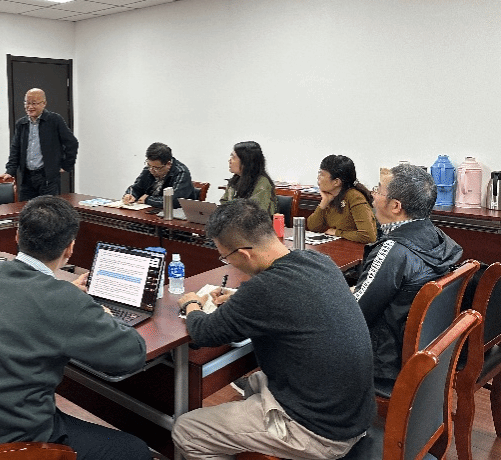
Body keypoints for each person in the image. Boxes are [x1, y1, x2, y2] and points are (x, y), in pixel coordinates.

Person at [0, 196, 152, 460]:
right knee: (135, 450)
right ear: (70, 248)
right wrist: (104, 314)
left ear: (17, 235)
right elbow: (132, 355)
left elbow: (27, 302)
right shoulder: (63, 301)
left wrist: (66, 296)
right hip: (5, 444)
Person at [172, 199, 375, 460]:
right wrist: (240, 300)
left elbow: (203, 332)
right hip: (352, 415)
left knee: (186, 430)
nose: (228, 263)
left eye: (226, 257)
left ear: (243, 254)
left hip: (321, 433)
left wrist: (191, 304)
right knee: (254, 382)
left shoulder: (263, 290)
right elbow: (288, 300)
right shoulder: (317, 260)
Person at [353, 163, 463, 384]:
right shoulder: (439, 237)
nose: (373, 195)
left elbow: (355, 314)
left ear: (395, 206)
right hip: (427, 349)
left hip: (385, 362)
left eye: (378, 189)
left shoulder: (393, 251)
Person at [0, 88, 79, 201]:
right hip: (27, 178)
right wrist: (10, 171)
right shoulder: (21, 124)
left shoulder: (54, 120)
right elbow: (15, 149)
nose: (30, 107)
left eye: (34, 103)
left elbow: (72, 143)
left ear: (44, 104)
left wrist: (66, 165)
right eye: (27, 103)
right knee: (25, 209)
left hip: (47, 177)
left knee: (47, 209)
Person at [306, 154, 377, 244]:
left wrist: (337, 233)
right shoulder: (330, 196)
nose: (318, 177)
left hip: (356, 248)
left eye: (322, 174)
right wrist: (323, 203)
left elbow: (368, 236)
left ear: (336, 182)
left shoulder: (354, 197)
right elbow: (312, 227)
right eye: (319, 173)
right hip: (340, 245)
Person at [122, 142, 195, 208]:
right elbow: (136, 188)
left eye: (156, 168)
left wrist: (148, 199)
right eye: (149, 165)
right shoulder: (150, 168)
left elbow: (174, 201)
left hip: (176, 214)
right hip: (151, 210)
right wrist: (131, 195)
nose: (151, 170)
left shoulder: (181, 172)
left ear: (168, 164)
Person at [219, 141, 277, 215]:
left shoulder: (262, 183)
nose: (229, 160)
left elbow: (254, 213)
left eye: (233, 157)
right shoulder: (236, 179)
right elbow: (224, 203)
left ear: (246, 161)